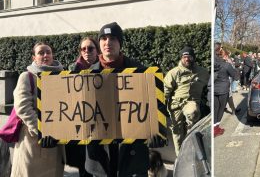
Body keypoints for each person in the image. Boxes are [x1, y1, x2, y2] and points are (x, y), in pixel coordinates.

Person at [85, 22, 166, 176]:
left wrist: (158, 131)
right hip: (99, 155)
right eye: (104, 38)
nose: (108, 42)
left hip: (132, 153)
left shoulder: (141, 72)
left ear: (120, 43)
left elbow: (157, 105)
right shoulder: (85, 76)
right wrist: (53, 133)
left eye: (113, 38)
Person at [11, 42, 65, 177]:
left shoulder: (63, 77)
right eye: (41, 53)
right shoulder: (27, 76)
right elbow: (23, 108)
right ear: (34, 57)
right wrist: (42, 131)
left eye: (48, 52)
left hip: (55, 143)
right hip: (32, 142)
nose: (45, 55)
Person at [164, 46, 209, 156]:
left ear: (194, 58)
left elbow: (209, 87)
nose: (187, 59)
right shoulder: (173, 73)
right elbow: (165, 91)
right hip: (175, 105)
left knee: (192, 112)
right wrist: (161, 108)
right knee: (177, 132)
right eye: (184, 56)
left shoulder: (203, 72)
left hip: (191, 102)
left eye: (189, 56)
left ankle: (191, 149)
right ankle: (180, 156)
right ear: (180, 58)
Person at [66, 37, 100, 177]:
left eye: (91, 48)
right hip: (79, 125)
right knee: (83, 164)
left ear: (97, 50)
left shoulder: (106, 68)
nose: (87, 51)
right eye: (83, 49)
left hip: (100, 124)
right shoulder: (71, 69)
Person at [214, 49, 238, 137]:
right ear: (225, 56)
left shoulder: (214, 64)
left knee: (215, 108)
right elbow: (235, 77)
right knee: (221, 108)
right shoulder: (227, 65)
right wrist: (231, 65)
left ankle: (214, 128)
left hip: (214, 89)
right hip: (223, 90)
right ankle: (216, 128)